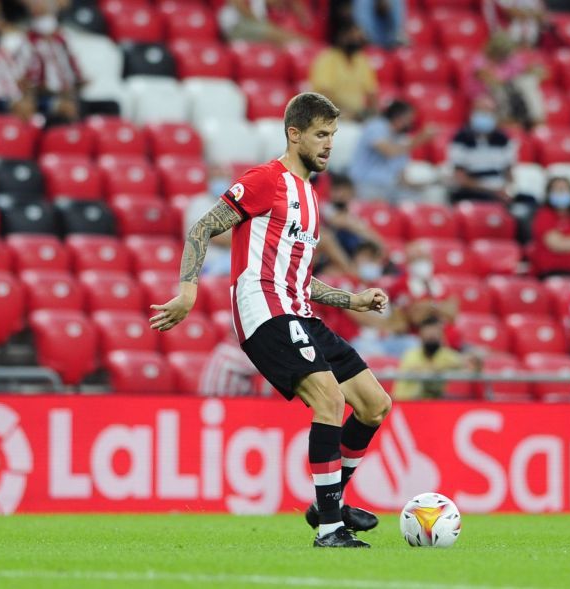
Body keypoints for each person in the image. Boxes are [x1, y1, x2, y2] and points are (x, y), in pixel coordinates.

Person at [150, 92, 392, 548]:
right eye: (321, 134)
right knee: (328, 398)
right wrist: (187, 289)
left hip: (296, 309)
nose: (328, 144)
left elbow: (300, 277)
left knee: (374, 404)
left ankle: (329, 502)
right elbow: (202, 227)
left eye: (333, 136)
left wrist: (352, 300)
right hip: (263, 311)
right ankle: (330, 528)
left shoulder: (311, 196)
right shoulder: (266, 180)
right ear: (293, 133)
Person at [347, 99, 435, 201]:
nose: (411, 124)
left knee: (422, 198)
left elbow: (401, 177)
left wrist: (419, 186)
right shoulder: (376, 126)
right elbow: (389, 151)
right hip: (366, 184)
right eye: (409, 119)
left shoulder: (402, 139)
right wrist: (419, 140)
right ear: (398, 117)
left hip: (390, 188)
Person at [447, 95, 518, 204]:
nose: (484, 116)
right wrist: (490, 189)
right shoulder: (461, 138)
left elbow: (509, 173)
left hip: (499, 187)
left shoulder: (503, 139)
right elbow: (460, 178)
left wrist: (508, 188)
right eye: (480, 111)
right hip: (474, 190)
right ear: (471, 113)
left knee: (526, 201)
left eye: (487, 112)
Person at [527, 176, 570, 277]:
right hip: (551, 273)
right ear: (549, 194)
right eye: (558, 190)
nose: (561, 193)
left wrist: (566, 242)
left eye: (564, 189)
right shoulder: (544, 215)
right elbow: (556, 244)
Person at [308, 19, 377, 121]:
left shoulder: (362, 60)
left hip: (357, 115)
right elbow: (323, 95)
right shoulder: (327, 59)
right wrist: (343, 111)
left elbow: (372, 93)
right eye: (352, 36)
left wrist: (373, 113)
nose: (356, 39)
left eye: (357, 36)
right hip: (329, 113)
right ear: (341, 36)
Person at [392, 315, 466, 400]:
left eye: (435, 332)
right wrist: (439, 369)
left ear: (442, 335)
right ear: (421, 335)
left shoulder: (449, 356)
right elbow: (413, 371)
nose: (432, 335)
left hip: (441, 403)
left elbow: (466, 366)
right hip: (411, 403)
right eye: (428, 332)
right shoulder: (410, 356)